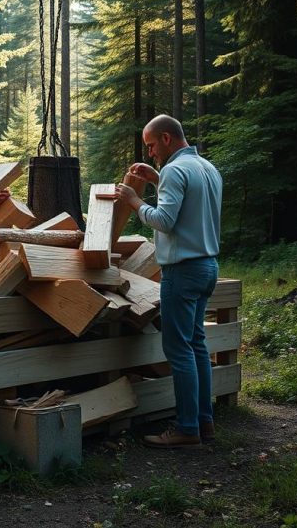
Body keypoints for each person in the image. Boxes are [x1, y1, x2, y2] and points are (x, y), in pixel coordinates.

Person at [115, 114, 223, 449]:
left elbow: (164, 221)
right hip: (208, 266)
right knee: (196, 345)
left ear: (165, 138)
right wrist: (158, 178)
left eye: (151, 145)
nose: (149, 154)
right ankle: (205, 423)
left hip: (182, 271)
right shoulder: (207, 168)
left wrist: (134, 201)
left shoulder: (176, 171)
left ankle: (187, 428)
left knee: (178, 350)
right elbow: (190, 204)